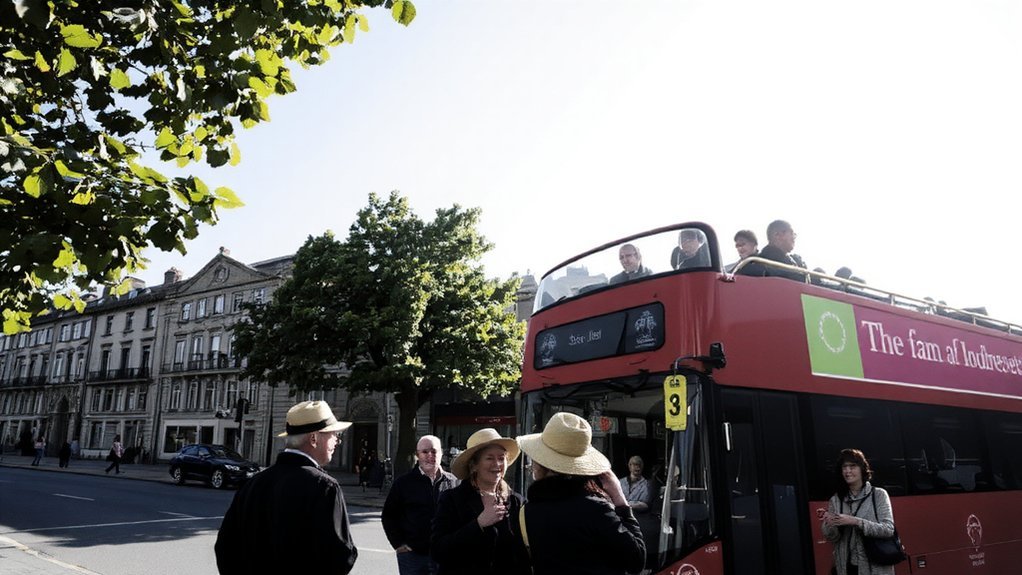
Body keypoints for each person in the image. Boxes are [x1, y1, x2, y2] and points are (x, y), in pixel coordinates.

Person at [215, 400, 358, 574]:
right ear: (314, 438)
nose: (337, 441)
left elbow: (225, 547)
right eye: (333, 434)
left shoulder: (254, 483)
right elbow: (340, 556)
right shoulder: (324, 486)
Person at [516, 412, 646, 575]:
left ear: (542, 464)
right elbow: (636, 561)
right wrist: (620, 501)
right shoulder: (597, 509)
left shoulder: (527, 513)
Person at [431, 428, 529, 575]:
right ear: (474, 465)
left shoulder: (516, 501)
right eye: (489, 458)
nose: (497, 464)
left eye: (501, 458)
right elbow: (438, 550)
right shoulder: (452, 499)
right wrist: (478, 524)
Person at [383, 435, 460, 575]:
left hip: (445, 556)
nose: (430, 455)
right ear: (418, 455)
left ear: (441, 453)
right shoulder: (403, 483)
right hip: (413, 556)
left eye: (434, 451)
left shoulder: (454, 482)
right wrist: (399, 544)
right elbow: (389, 516)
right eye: (425, 452)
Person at [821, 449, 897, 575]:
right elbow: (832, 537)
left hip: (874, 568)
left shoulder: (878, 495)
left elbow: (888, 529)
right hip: (846, 568)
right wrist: (829, 522)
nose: (847, 471)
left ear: (862, 469)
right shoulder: (836, 500)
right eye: (844, 467)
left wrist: (855, 521)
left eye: (852, 466)